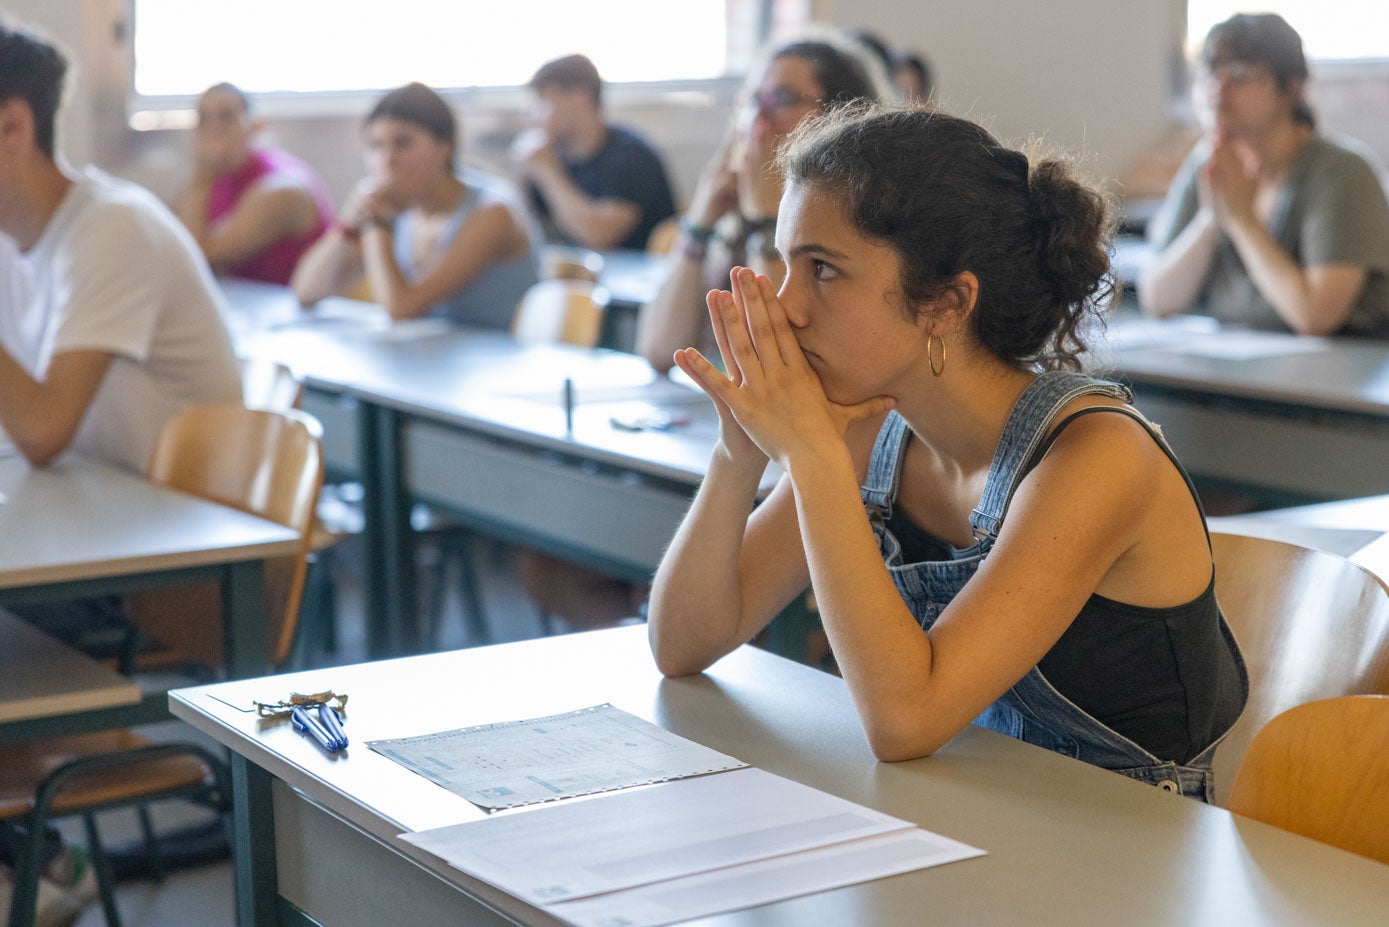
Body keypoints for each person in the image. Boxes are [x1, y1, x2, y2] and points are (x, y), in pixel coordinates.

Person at [646, 104, 1249, 802]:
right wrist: (738, 452)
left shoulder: (1097, 457)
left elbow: (904, 720)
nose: (785, 307)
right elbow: (683, 644)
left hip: (1136, 845)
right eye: (785, 264)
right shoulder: (873, 428)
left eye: (823, 270)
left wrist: (812, 462)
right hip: (978, 808)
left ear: (945, 304)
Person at [0, 23, 242, 474]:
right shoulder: (11, 239)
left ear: (12, 126)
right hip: (97, 507)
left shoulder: (113, 228)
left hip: (189, 528)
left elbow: (42, 432)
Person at [635, 35, 888, 372]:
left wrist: (766, 222)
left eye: (781, 99)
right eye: (752, 102)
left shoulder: (858, 223)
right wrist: (700, 221)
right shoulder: (733, 218)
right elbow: (660, 350)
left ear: (840, 115)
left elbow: (781, 364)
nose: (759, 120)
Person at [1139, 12, 1389, 337]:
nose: (1218, 90)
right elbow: (1157, 298)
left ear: (1291, 89)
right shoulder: (1209, 162)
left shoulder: (1341, 171)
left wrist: (1242, 220)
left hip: (1332, 377)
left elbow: (1315, 317)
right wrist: (1213, 218)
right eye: (1209, 75)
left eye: (1240, 77)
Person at [292, 82, 539, 328]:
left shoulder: (493, 211)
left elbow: (401, 309)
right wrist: (348, 223)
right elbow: (306, 292)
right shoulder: (400, 208)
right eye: (376, 146)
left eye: (402, 143)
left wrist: (378, 222)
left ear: (444, 148)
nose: (387, 160)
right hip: (433, 358)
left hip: (497, 359)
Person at [175, 82, 334, 286]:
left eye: (226, 117)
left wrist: (203, 173)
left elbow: (196, 261)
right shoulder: (217, 179)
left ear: (256, 126)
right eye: (204, 119)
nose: (213, 129)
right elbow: (172, 236)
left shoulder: (280, 189)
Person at [513, 54, 676, 252]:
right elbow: (529, 231)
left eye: (544, 102)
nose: (536, 115)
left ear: (579, 99)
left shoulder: (632, 155)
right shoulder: (555, 155)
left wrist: (547, 172)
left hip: (640, 273)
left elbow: (598, 237)